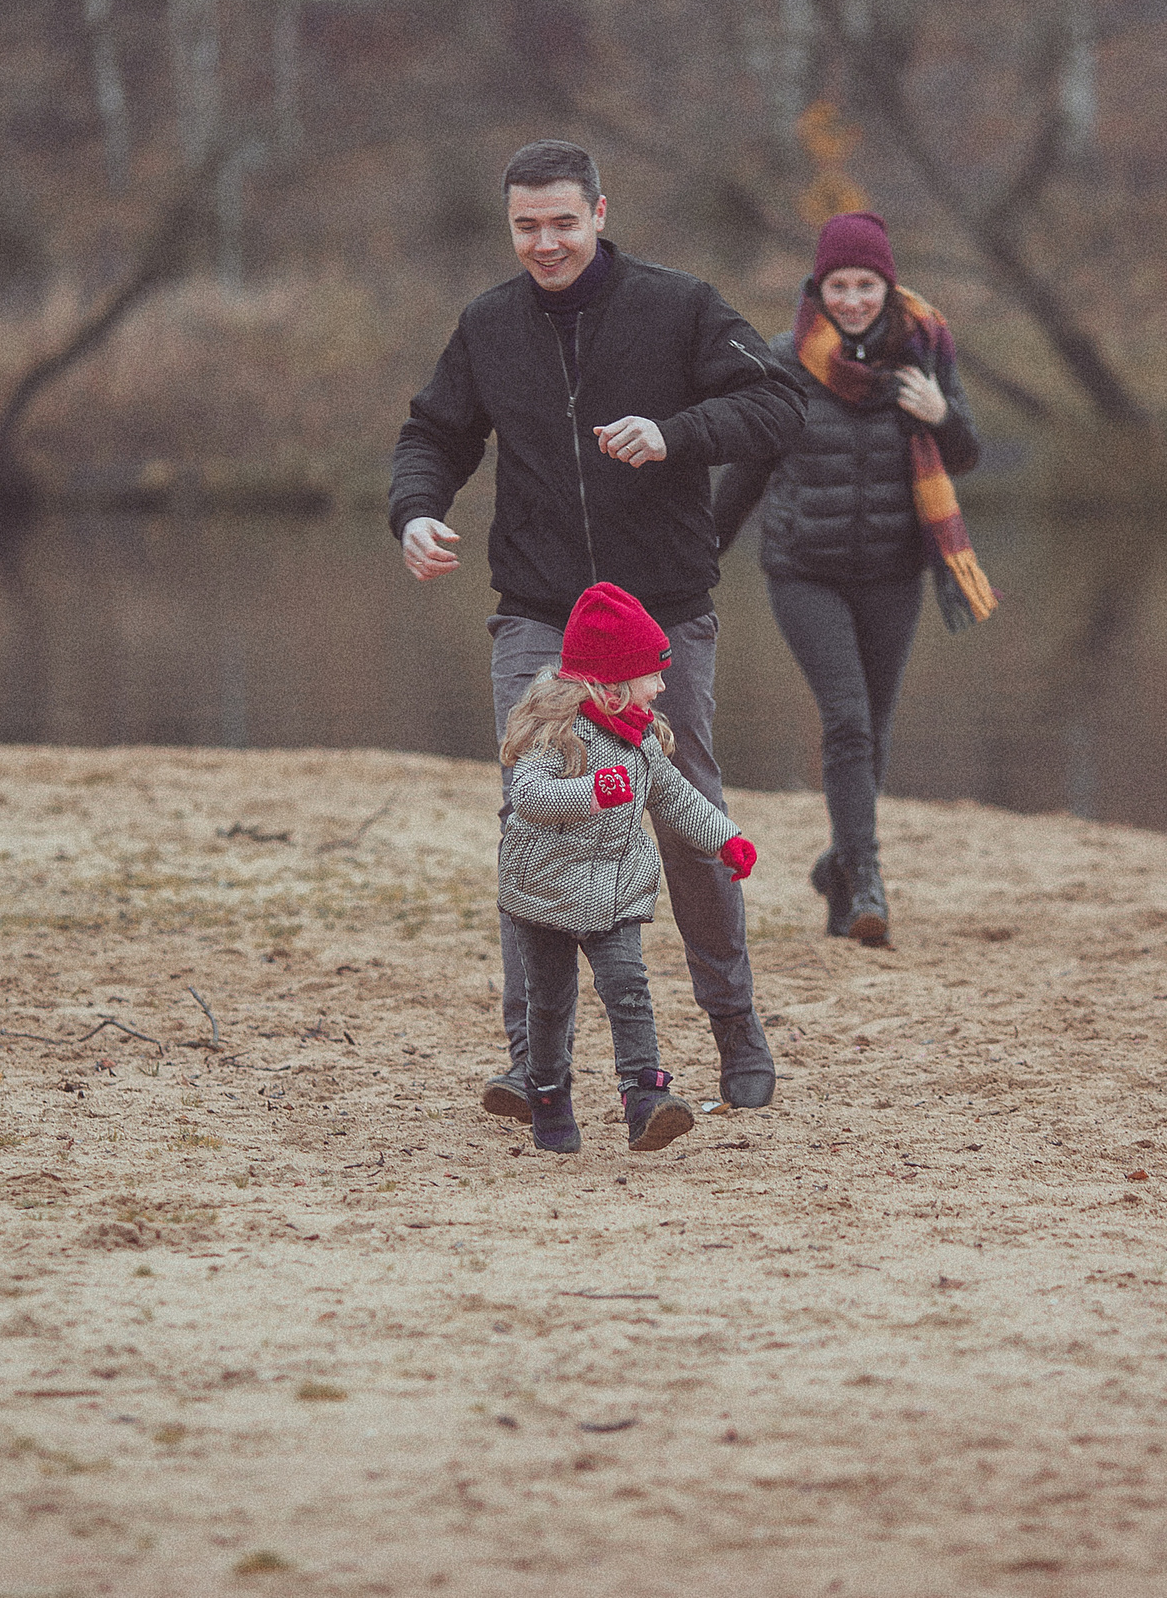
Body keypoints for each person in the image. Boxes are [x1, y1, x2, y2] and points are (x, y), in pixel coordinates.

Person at [390, 139, 804, 1115]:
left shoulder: (678, 308)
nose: (544, 243)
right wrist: (414, 509)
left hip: (660, 612)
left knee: (678, 808)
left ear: (600, 214)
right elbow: (433, 432)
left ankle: (734, 1025)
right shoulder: (489, 325)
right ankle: (529, 1064)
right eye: (526, 226)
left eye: (562, 223)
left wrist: (675, 435)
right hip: (539, 614)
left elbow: (777, 407)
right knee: (532, 811)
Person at [712, 211, 996, 947]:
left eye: (866, 284)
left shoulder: (922, 357)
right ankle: (868, 878)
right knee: (846, 720)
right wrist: (696, 557)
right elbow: (745, 474)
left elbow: (963, 455)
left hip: (893, 572)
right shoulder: (784, 361)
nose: (853, 299)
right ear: (819, 286)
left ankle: (839, 872)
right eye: (839, 285)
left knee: (874, 728)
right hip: (805, 573)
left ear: (887, 286)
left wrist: (941, 414)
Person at [498, 583, 761, 1153]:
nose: (664, 685)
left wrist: (726, 840)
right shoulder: (554, 733)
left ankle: (644, 1095)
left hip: (615, 895)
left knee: (630, 989)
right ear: (612, 682)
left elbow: (676, 799)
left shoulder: (640, 742)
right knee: (549, 1001)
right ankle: (547, 1095)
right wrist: (591, 792)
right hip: (542, 895)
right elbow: (527, 794)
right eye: (653, 674)